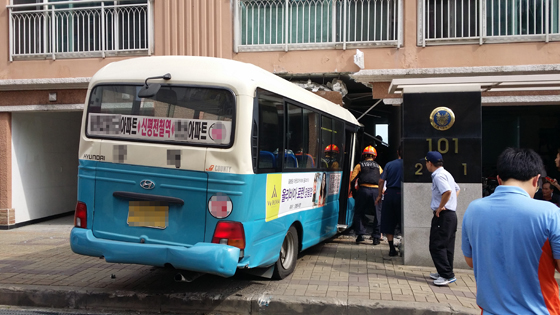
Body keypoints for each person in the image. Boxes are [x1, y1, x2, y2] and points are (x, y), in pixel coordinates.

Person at [462, 148, 560, 314]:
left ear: (499, 179)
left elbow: (471, 261)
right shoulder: (550, 213)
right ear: (536, 180)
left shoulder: (473, 209)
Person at [425, 151, 460, 286]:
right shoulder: (446, 174)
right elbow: (457, 189)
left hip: (444, 215)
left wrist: (441, 206)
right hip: (451, 215)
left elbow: (448, 191)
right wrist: (450, 202)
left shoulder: (438, 176)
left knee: (437, 245)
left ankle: (447, 275)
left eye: (426, 162)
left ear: (430, 163)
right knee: (447, 246)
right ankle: (444, 271)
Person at [350, 145, 383, 245]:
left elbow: (352, 180)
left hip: (363, 190)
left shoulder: (359, 165)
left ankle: (360, 235)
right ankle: (376, 237)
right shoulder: (378, 167)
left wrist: (354, 193)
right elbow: (382, 180)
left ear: (364, 155)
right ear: (374, 156)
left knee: (359, 212)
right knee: (378, 214)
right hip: (376, 190)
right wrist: (380, 194)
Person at [376, 144, 403, 256]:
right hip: (403, 194)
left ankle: (391, 248)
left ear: (397, 152)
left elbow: (381, 181)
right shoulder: (410, 165)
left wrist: (379, 195)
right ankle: (404, 245)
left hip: (390, 194)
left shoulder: (389, 164)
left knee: (388, 221)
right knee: (403, 221)